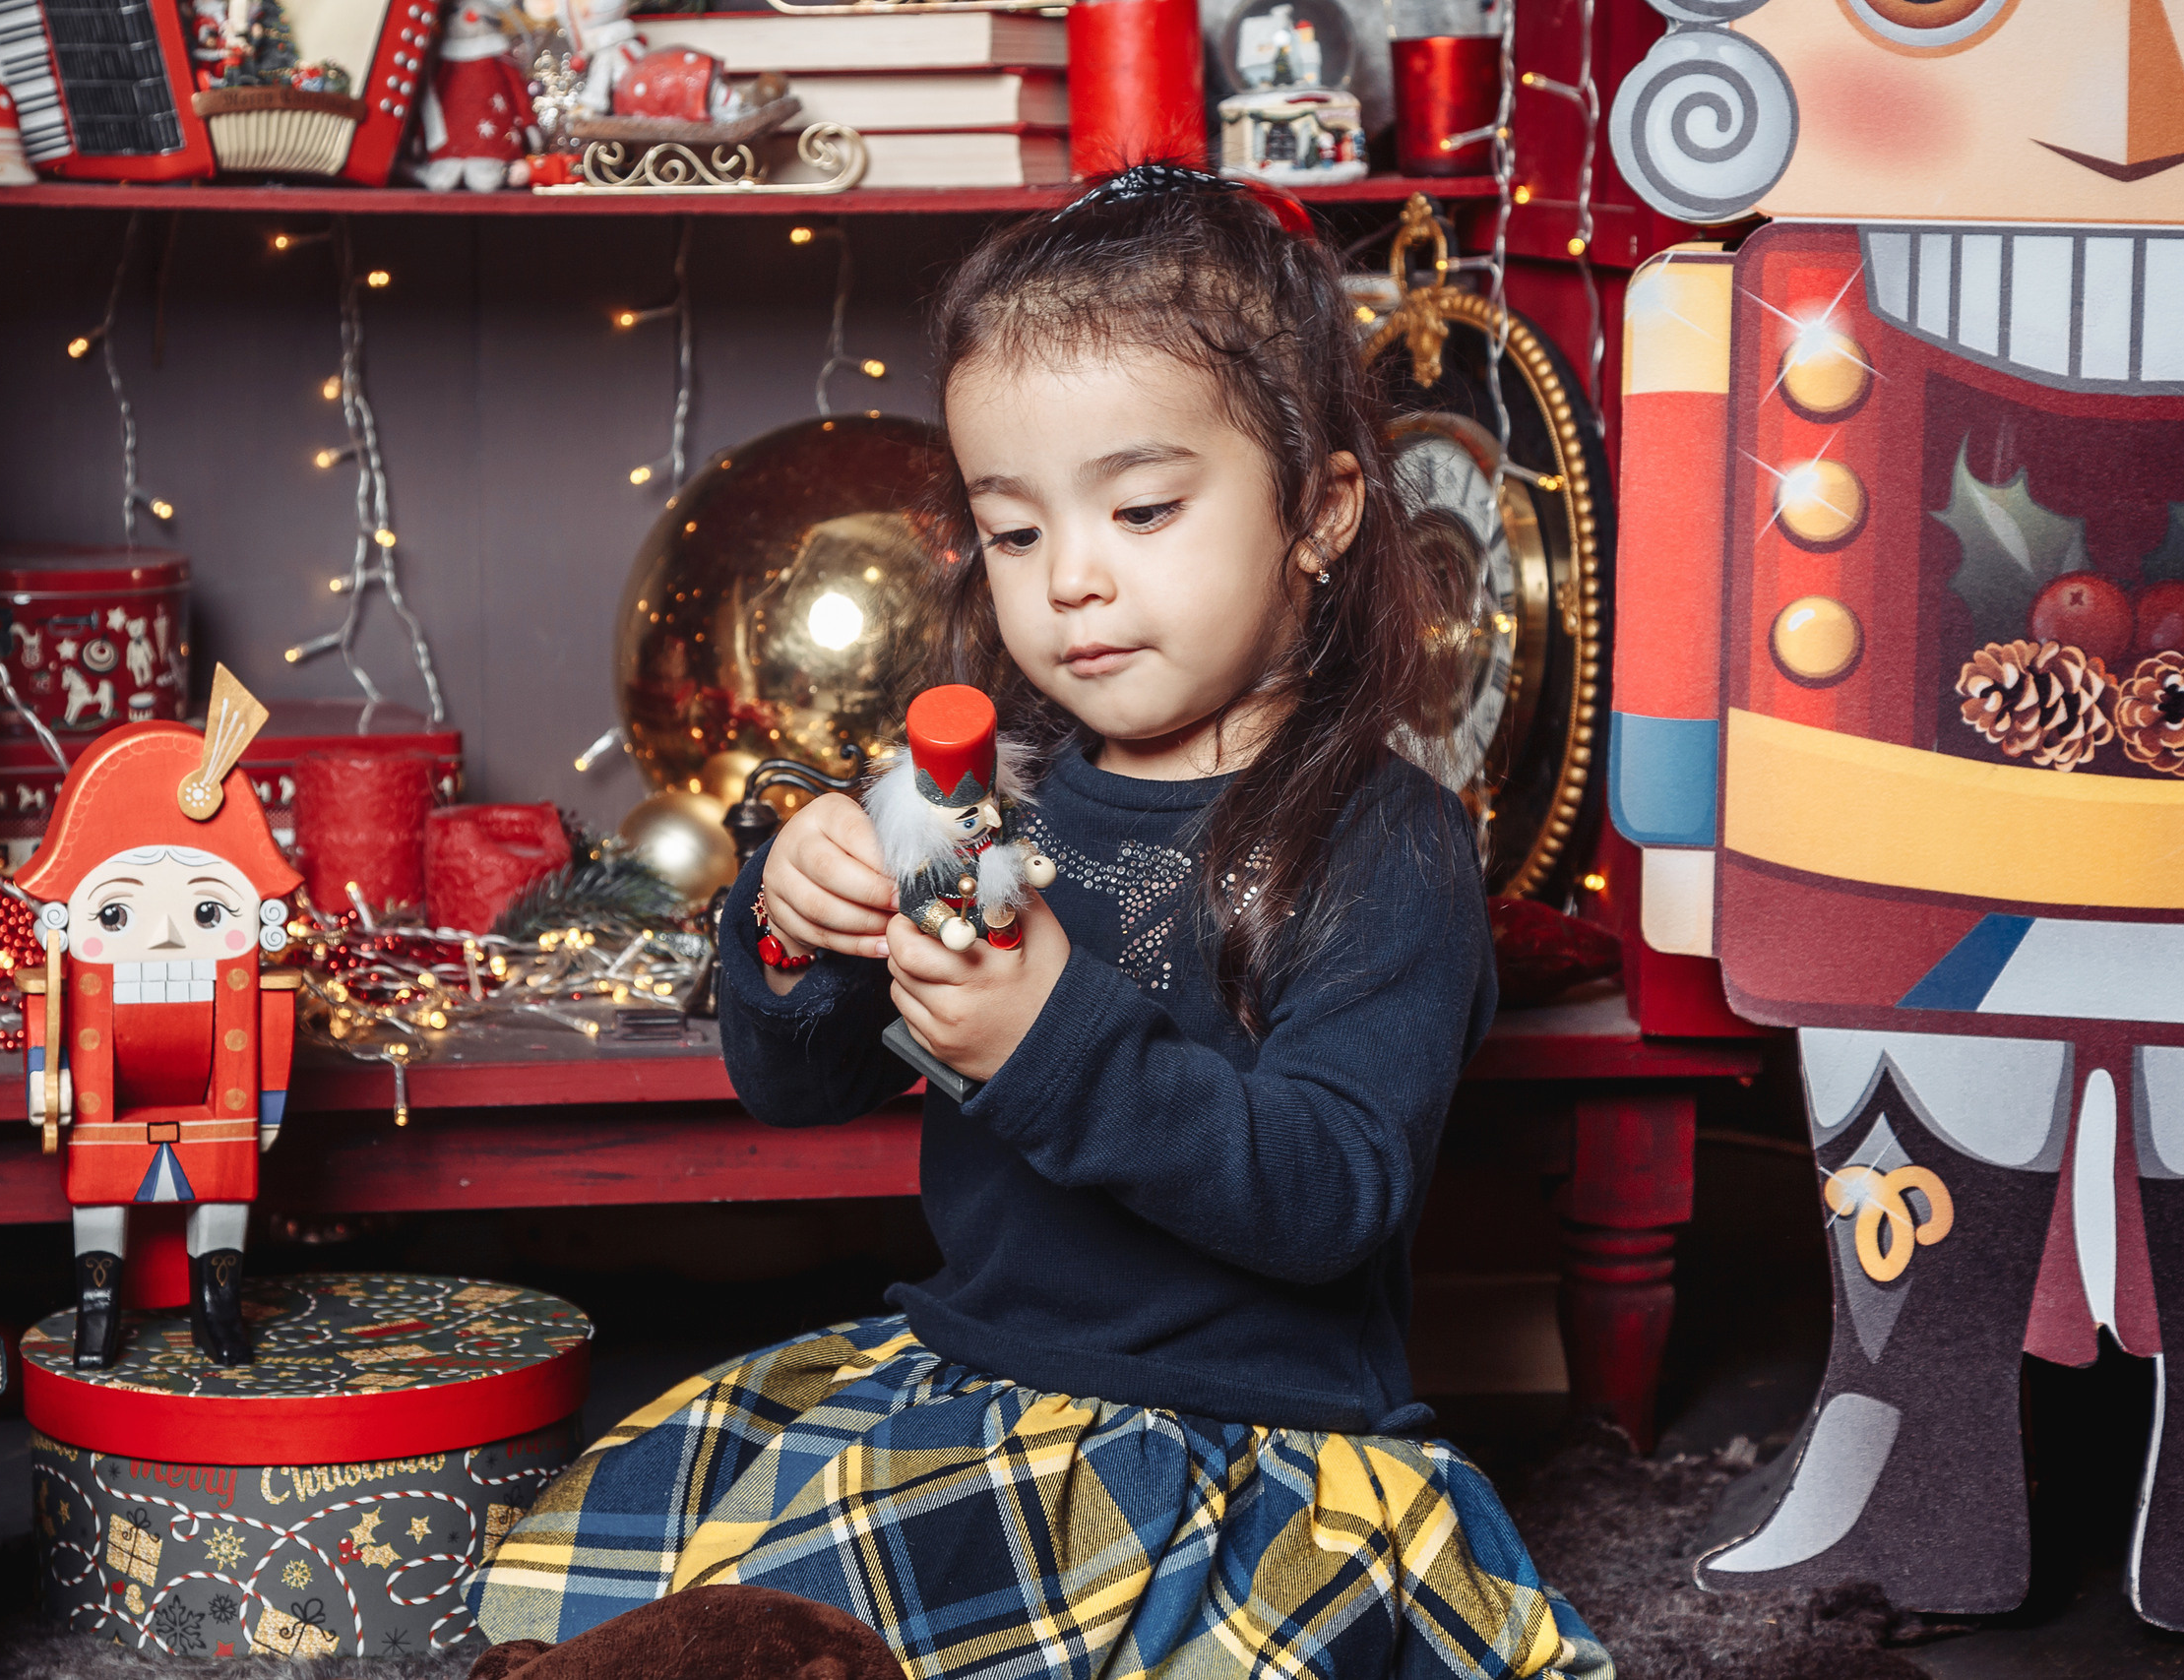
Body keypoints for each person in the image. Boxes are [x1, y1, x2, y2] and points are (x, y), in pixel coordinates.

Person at [467, 163, 1609, 1680]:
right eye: (1013, 531)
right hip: (969, 1377)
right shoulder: (987, 798)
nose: (1071, 578)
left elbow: (1336, 1193)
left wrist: (1048, 1038)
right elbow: (797, 1086)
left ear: (1321, 511)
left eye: (1142, 510)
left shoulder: (1382, 843)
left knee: (851, 1638)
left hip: (1231, 1441)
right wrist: (793, 926)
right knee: (619, 1592)